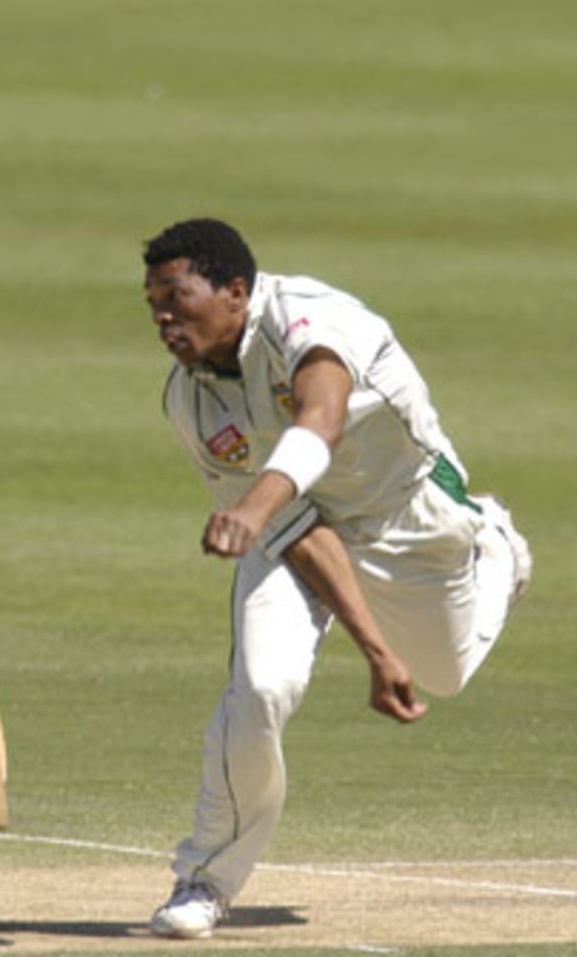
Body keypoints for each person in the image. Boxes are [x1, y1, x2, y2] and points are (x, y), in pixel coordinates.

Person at [142, 218, 531, 938]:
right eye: (152, 305)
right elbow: (298, 534)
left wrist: (256, 507)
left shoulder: (309, 318)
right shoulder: (189, 400)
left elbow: (319, 418)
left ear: (234, 291)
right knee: (261, 687)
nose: (163, 318)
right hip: (293, 529)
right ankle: (204, 879)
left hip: (404, 515)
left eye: (176, 297)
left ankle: (498, 543)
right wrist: (372, 648)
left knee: (440, 674)